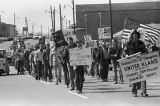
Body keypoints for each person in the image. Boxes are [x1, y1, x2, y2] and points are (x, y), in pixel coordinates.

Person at [125, 30, 149, 97]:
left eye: (136, 34)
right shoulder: (128, 44)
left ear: (138, 35)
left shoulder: (141, 43)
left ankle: (143, 92)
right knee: (134, 78)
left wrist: (142, 54)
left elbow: (146, 52)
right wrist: (126, 55)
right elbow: (125, 52)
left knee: (143, 77)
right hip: (132, 63)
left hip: (141, 62)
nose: (135, 35)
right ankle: (134, 92)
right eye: (133, 34)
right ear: (132, 35)